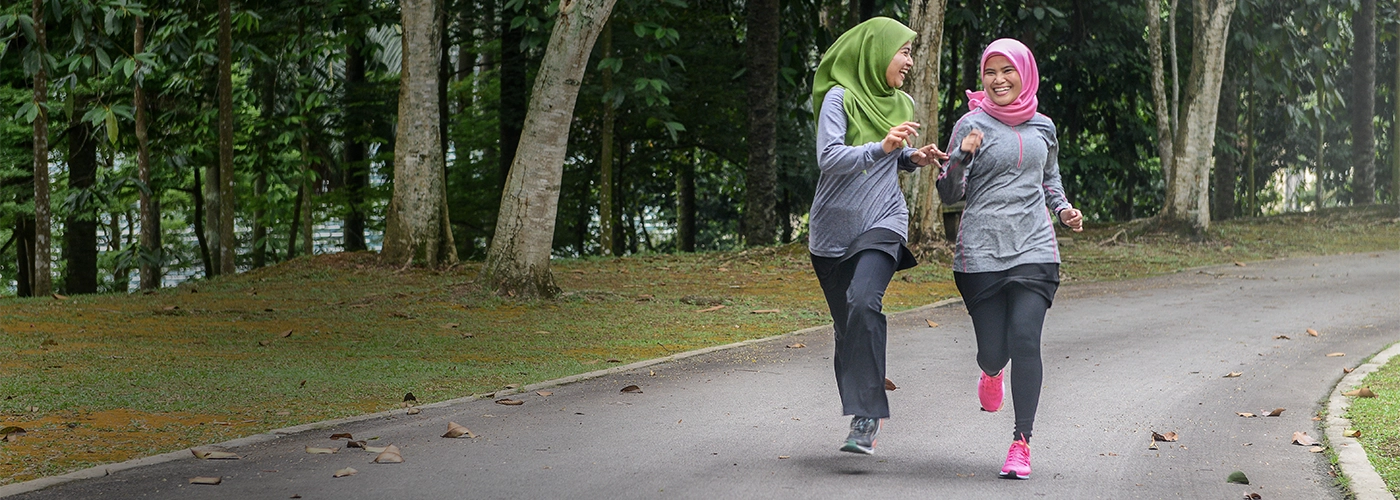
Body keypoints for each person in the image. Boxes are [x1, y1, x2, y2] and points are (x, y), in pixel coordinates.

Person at [936, 38, 1084, 479]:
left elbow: (1050, 179)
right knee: (994, 349)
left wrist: (1063, 210)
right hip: (980, 252)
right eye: (990, 72)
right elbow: (947, 192)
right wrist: (964, 154)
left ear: (1025, 72)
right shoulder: (970, 123)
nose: (998, 80)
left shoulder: (1043, 126)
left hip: (1035, 248)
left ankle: (1021, 443)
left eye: (1007, 71)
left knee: (1025, 339)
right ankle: (989, 370)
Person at [808, 16, 948, 456]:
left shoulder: (902, 103)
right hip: (831, 233)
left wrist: (911, 157)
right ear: (875, 51)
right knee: (848, 325)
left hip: (883, 221)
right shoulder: (840, 98)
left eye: (910, 52)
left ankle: (866, 418)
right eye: (902, 51)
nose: (909, 60)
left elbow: (889, 156)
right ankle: (860, 402)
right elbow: (830, 158)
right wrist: (884, 148)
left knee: (864, 301)